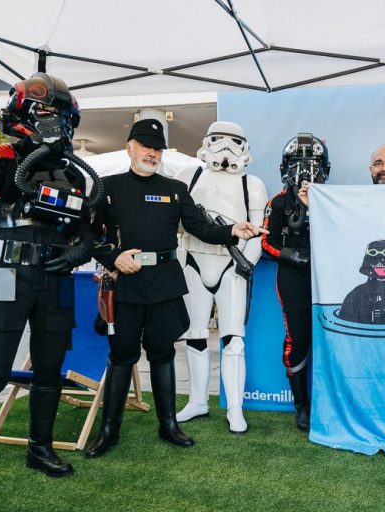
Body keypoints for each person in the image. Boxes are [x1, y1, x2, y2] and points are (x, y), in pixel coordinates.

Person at [0, 73, 100, 511]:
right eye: (46, 113)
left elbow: (86, 229)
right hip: (7, 275)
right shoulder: (0, 156)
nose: (54, 122)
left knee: (50, 367)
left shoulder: (73, 173)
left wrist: (78, 252)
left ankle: (40, 448)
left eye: (60, 115)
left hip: (56, 278)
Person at [86, 119, 265, 458]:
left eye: (157, 148)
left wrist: (232, 232)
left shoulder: (175, 188)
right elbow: (88, 235)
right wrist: (112, 256)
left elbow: (200, 228)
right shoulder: (106, 187)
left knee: (163, 354)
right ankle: (109, 430)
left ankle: (168, 424)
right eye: (145, 146)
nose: (151, 153)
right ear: (129, 148)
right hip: (125, 284)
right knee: (122, 356)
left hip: (165, 284)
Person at [175, 121, 268, 433]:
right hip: (193, 260)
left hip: (232, 264)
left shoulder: (252, 185)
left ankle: (235, 407)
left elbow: (258, 232)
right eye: (218, 139)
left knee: (234, 338)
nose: (226, 147)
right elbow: (173, 223)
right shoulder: (189, 176)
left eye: (233, 141)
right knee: (195, 333)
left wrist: (246, 264)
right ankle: (197, 400)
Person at [262, 133, 330, 432]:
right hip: (292, 276)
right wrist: (290, 255)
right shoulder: (278, 202)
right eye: (297, 163)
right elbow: (266, 242)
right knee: (298, 338)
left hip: (328, 275)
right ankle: (301, 404)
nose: (304, 169)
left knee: (332, 337)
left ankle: (331, 401)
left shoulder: (334, 199)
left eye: (312, 162)